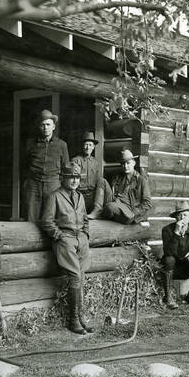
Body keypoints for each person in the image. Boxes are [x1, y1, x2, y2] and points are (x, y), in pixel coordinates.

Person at [41, 162, 93, 335]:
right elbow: (47, 221)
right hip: (65, 239)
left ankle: (81, 317)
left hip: (81, 240)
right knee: (75, 276)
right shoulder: (54, 196)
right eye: (71, 177)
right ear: (63, 178)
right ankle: (73, 320)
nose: (74, 181)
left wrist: (85, 235)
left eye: (77, 177)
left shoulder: (80, 197)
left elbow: (85, 219)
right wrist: (59, 236)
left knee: (82, 276)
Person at [24, 109, 69, 221]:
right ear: (39, 127)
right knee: (31, 218)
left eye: (48, 124)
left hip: (53, 185)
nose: (45, 128)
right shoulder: (30, 143)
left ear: (53, 127)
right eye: (42, 125)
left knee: (50, 219)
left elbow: (66, 167)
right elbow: (24, 164)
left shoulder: (61, 145)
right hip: (34, 185)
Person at [89, 149, 152, 224]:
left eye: (128, 163)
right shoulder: (117, 177)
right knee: (101, 181)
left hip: (128, 212)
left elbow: (147, 203)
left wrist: (134, 212)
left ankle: (106, 214)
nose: (125, 166)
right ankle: (97, 210)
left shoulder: (141, 180)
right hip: (115, 202)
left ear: (134, 163)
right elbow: (112, 195)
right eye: (123, 164)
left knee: (110, 207)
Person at [72, 131, 111, 217]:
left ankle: (98, 209)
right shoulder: (76, 161)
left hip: (92, 198)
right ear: (82, 146)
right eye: (86, 144)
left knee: (102, 181)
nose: (87, 147)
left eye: (90, 145)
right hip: (80, 196)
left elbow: (99, 184)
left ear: (93, 147)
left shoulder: (95, 163)